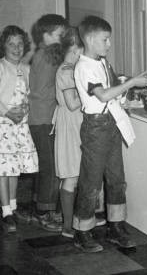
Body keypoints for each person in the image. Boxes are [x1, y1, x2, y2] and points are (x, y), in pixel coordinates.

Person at [73, 15, 147, 253]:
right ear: (89, 39)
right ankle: (82, 231)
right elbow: (103, 95)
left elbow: (112, 92)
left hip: (111, 125)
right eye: (105, 39)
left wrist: (131, 85)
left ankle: (115, 226)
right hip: (96, 128)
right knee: (91, 182)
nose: (109, 44)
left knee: (117, 179)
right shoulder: (84, 67)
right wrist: (131, 84)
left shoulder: (102, 62)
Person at [28, 14, 67, 232]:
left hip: (41, 117)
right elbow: (47, 89)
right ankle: (44, 213)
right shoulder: (47, 55)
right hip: (43, 118)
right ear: (46, 34)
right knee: (50, 167)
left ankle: (39, 208)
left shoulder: (42, 54)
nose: (63, 39)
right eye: (60, 35)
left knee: (46, 166)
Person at [0, 26, 38, 233]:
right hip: (3, 124)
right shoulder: (1, 67)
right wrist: (7, 113)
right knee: (3, 170)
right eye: (11, 44)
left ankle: (13, 207)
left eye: (20, 44)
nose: (16, 48)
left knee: (14, 166)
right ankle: (6, 212)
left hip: (19, 125)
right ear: (3, 46)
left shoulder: (26, 68)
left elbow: (29, 94)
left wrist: (25, 107)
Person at [52, 27, 84, 238]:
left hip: (77, 123)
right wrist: (96, 94)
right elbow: (72, 104)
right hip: (70, 124)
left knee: (79, 173)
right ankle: (67, 225)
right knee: (71, 175)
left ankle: (80, 218)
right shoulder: (66, 71)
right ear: (75, 49)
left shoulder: (72, 67)